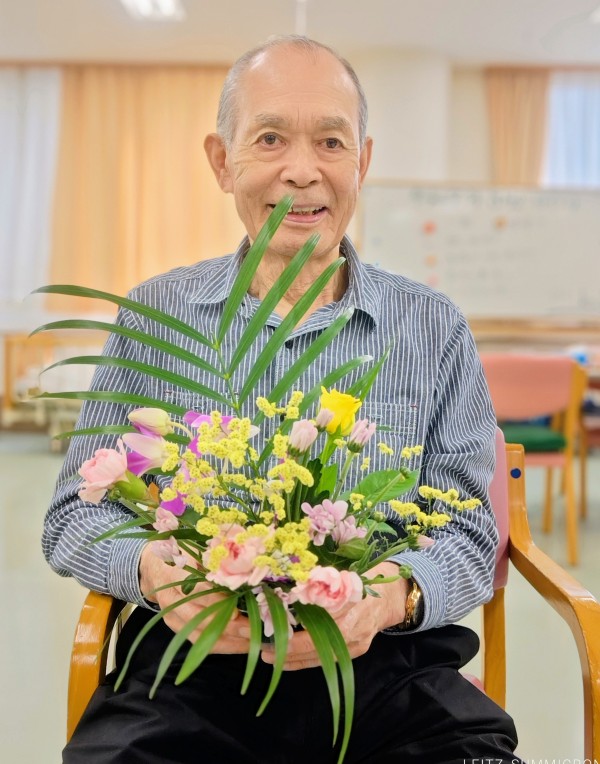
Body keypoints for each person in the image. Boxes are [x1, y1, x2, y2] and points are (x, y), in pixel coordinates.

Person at [46, 35, 523, 763]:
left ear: (361, 163)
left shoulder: (433, 327)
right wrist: (152, 570)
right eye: (270, 139)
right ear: (221, 160)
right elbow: (74, 514)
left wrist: (390, 597)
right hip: (191, 665)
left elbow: (468, 526)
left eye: (331, 141)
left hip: (386, 668)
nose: (302, 170)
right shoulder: (157, 317)